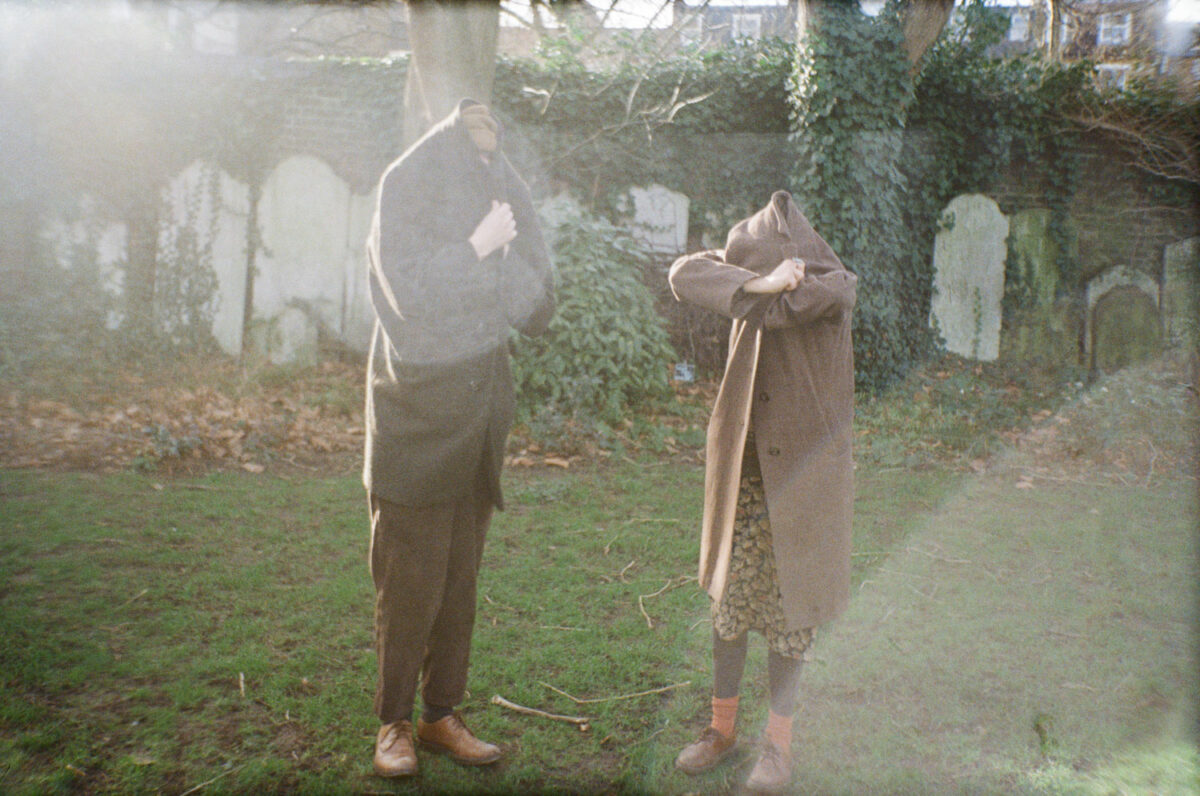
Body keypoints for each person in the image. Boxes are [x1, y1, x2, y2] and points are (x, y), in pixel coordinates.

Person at [363, 99, 555, 778]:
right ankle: (393, 724)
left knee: (458, 584)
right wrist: (476, 248)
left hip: (478, 422)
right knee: (407, 585)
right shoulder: (405, 184)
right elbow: (408, 294)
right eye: (475, 155)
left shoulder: (500, 187)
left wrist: (506, 252)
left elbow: (539, 309)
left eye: (492, 154)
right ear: (450, 150)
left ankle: (440, 714)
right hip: (414, 419)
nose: (486, 163)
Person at [667, 190, 856, 793]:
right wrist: (759, 281)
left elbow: (808, 299)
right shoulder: (755, 287)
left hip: (802, 482)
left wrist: (772, 287)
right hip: (746, 479)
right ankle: (721, 729)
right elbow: (683, 273)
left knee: (791, 615)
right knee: (731, 607)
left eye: (766, 269)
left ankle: (778, 746)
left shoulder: (830, 291)